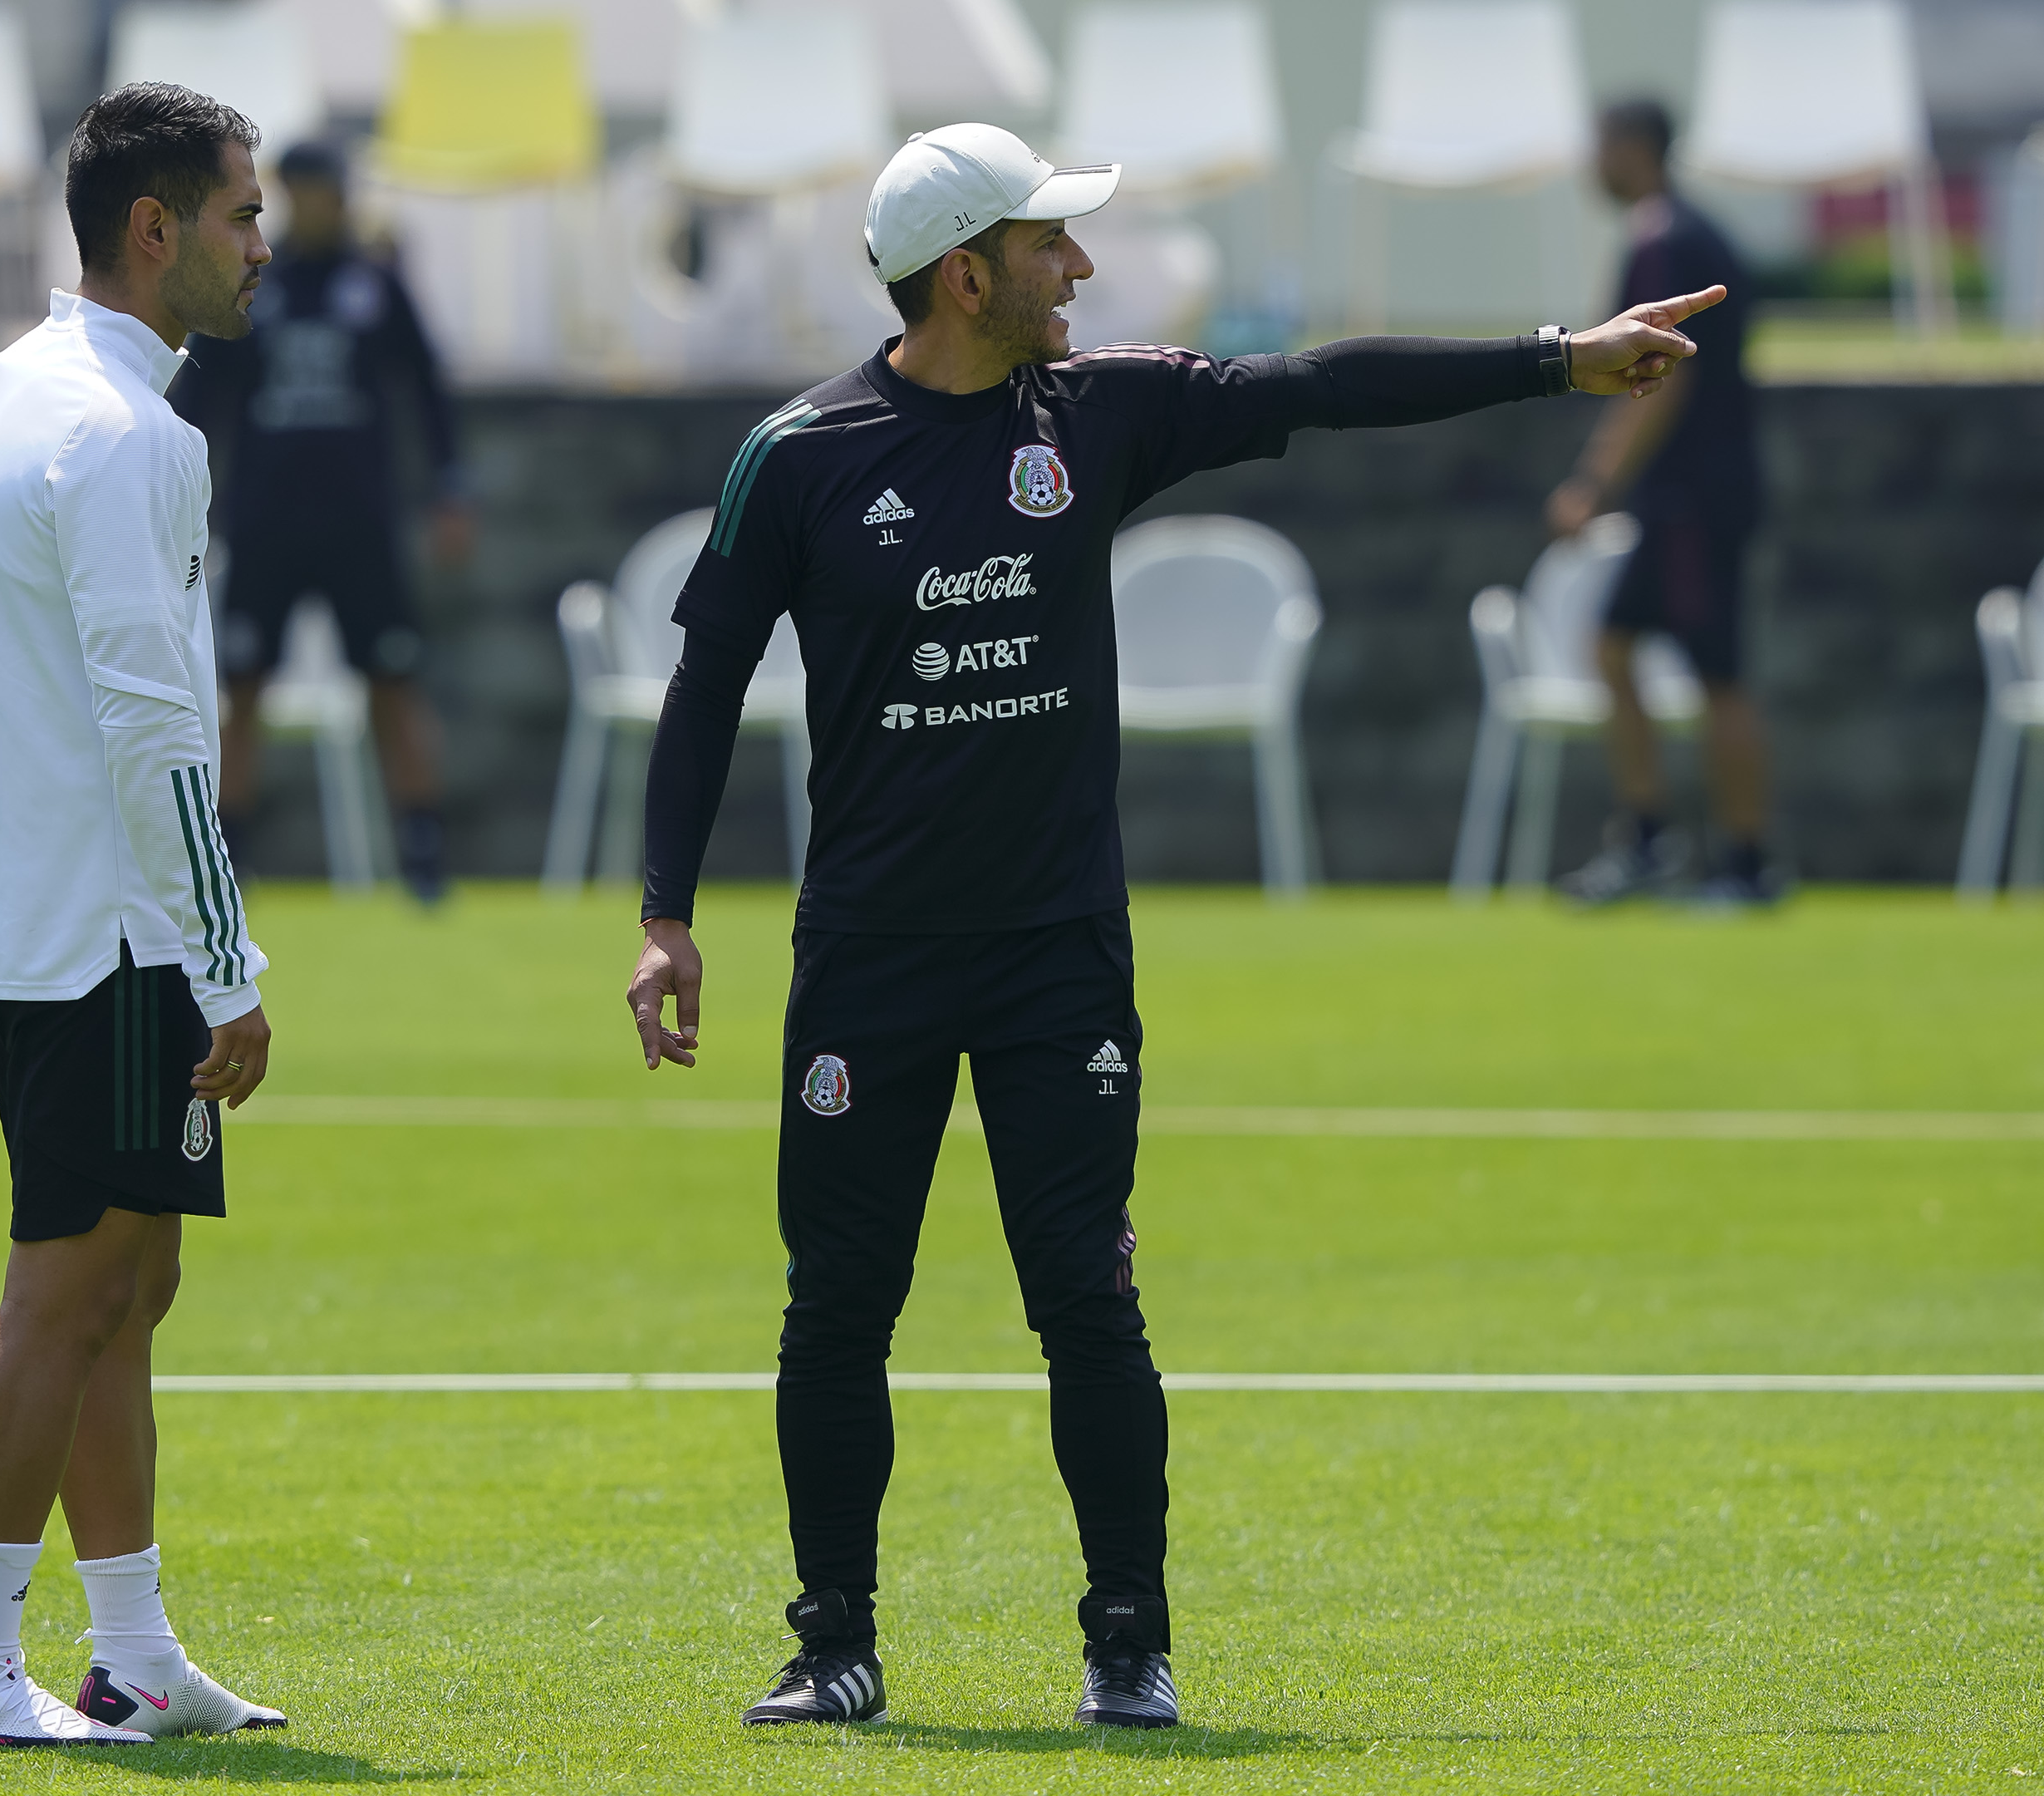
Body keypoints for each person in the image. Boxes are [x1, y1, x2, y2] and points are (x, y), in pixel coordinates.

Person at [622, 122, 1717, 1731]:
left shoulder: (1101, 411)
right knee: (838, 1305)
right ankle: (833, 1641)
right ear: (963, 271)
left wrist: (1559, 360)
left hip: (1059, 953)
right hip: (869, 957)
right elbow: (705, 683)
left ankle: (1127, 1641)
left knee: (1087, 1299)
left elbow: (1320, 386)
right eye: (1050, 243)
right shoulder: (800, 455)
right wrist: (665, 916)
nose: (1081, 266)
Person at [0, 82, 285, 1748]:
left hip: (56, 914)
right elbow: (155, 725)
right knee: (65, 1290)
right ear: (159, 230)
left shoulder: (24, 388)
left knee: (130, 1284)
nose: (261, 248)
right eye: (242, 217)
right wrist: (228, 968)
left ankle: (126, 1648)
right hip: (106, 936)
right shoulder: (124, 430)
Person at [174, 138, 474, 904]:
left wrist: (449, 491)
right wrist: (177, 497)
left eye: (322, 190)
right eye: (296, 192)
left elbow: (429, 392)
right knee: (243, 688)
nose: (311, 206)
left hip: (361, 528)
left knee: (393, 683)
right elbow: (201, 403)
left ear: (342, 195)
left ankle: (424, 850)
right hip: (267, 523)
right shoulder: (250, 286)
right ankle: (225, 857)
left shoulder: (377, 284)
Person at [1547, 98, 1775, 905]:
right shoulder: (1689, 230)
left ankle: (1747, 866)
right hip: (1695, 494)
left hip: (1691, 498)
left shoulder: (1661, 236)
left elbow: (1659, 379)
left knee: (1718, 674)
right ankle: (1648, 838)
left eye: (1599, 142)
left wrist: (1592, 483)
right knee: (1612, 646)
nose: (1591, 161)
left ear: (1632, 146)